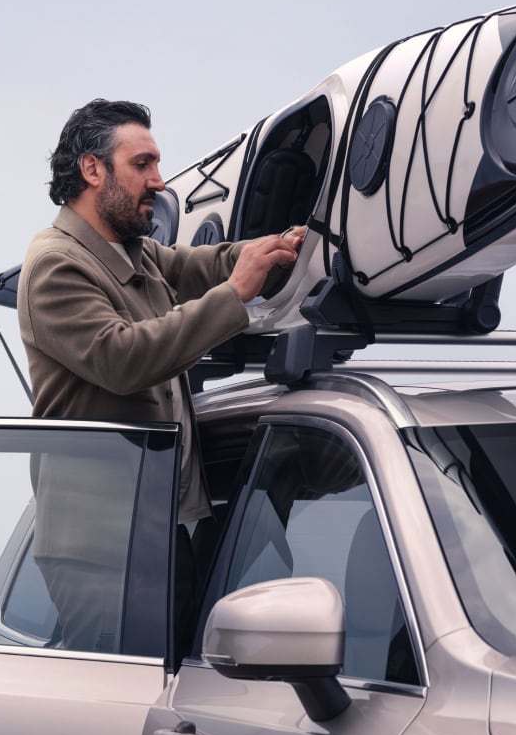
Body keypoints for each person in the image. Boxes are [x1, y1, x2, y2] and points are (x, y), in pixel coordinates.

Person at [18, 98, 304, 652]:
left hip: (152, 532)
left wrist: (282, 248)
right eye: (143, 164)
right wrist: (236, 294)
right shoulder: (57, 262)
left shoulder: (135, 253)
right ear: (93, 170)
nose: (159, 179)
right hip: (100, 549)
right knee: (111, 714)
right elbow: (125, 359)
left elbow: (206, 264)